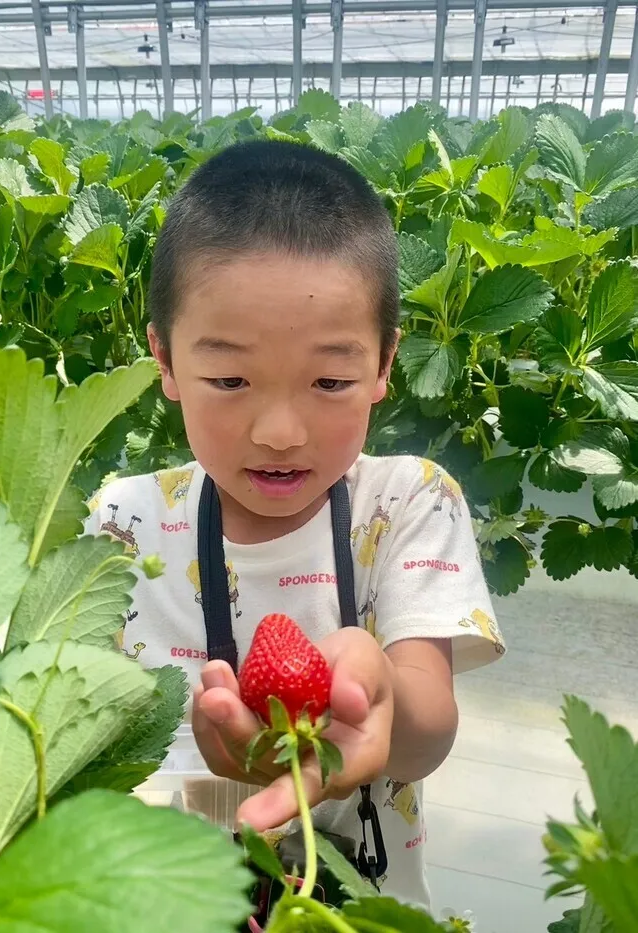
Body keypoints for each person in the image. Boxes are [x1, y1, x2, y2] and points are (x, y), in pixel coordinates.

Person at [85, 139, 505, 909]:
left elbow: (426, 729)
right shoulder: (119, 522)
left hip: (357, 909)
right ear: (165, 360)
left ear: (384, 364)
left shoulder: (406, 502)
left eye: (330, 380)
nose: (280, 429)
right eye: (230, 378)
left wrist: (377, 693)